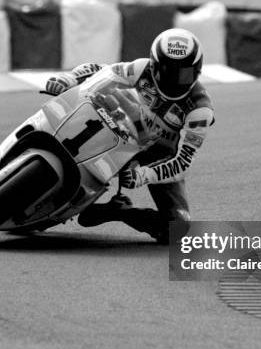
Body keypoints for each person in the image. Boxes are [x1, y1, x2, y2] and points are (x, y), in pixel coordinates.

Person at [45, 28, 215, 244]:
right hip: (119, 126)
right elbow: (101, 71)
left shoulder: (200, 109)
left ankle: (121, 210)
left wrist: (144, 175)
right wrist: (68, 79)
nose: (174, 80)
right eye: (167, 71)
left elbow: (183, 162)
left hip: (158, 156)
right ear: (154, 65)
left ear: (197, 70)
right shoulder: (142, 68)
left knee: (178, 231)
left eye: (183, 74)